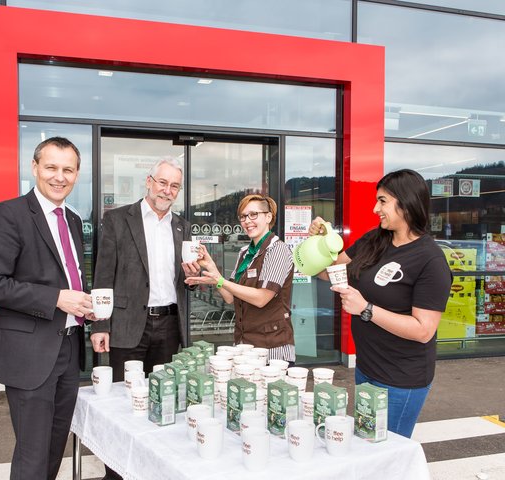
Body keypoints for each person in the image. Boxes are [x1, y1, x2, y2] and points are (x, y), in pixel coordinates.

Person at [0, 137, 98, 480]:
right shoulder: (7, 214)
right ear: (34, 168)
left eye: (68, 170)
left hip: (69, 348)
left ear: (77, 174)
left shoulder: (73, 220)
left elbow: (68, 276)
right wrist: (57, 298)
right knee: (32, 455)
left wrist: (83, 306)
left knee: (53, 449)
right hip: (30, 354)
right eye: (51, 167)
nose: (60, 177)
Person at [309, 168, 452, 438]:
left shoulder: (430, 260)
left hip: (401, 379)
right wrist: (318, 240)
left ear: (406, 202)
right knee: (367, 444)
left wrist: (366, 309)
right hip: (367, 368)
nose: (376, 208)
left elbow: (423, 330)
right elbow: (328, 272)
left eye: (383, 201)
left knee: (388, 452)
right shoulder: (374, 240)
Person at [90, 157, 200, 381]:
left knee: (163, 394)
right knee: (123, 396)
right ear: (148, 182)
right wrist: (100, 325)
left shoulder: (182, 226)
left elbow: (185, 279)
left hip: (169, 326)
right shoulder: (117, 220)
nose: (167, 190)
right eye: (162, 182)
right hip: (127, 325)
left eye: (174, 186)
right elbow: (103, 275)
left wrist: (192, 276)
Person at [185, 194, 296, 366]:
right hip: (245, 347)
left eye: (253, 214)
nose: (247, 221)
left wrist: (220, 281)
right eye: (243, 216)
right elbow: (230, 297)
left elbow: (261, 298)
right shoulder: (244, 253)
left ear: (268, 217)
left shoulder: (278, 250)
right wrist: (211, 267)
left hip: (273, 352)